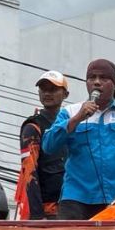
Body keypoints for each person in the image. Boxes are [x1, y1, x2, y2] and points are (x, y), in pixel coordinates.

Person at [42, 57, 115, 219]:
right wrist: (77, 119)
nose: (96, 83)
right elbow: (48, 145)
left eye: (103, 78)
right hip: (75, 201)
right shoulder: (70, 112)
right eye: (92, 78)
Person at [18, 70, 70, 219]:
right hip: (48, 210)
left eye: (53, 89)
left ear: (65, 94)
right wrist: (37, 216)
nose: (47, 93)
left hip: (73, 207)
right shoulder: (33, 126)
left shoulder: (72, 123)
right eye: (43, 89)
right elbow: (29, 171)